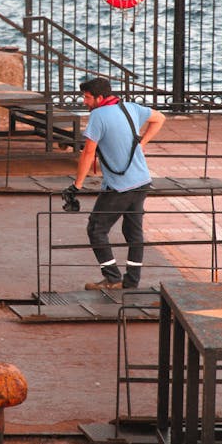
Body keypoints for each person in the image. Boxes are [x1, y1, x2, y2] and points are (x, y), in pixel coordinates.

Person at [62, 77, 165, 290]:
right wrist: (141, 144)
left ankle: (112, 278)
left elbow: (88, 151)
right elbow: (160, 118)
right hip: (142, 181)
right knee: (133, 233)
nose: (84, 101)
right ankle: (131, 281)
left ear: (100, 98)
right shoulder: (130, 107)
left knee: (96, 229)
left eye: (87, 97)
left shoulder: (98, 115)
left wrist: (77, 185)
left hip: (120, 186)